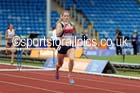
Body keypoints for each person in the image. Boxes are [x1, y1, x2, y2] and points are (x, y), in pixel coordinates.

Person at [55, 10, 76, 84]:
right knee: (60, 64)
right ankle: (57, 69)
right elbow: (57, 35)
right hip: (62, 46)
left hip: (70, 45)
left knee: (72, 59)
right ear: (62, 17)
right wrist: (64, 30)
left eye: (67, 16)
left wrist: (74, 29)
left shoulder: (71, 24)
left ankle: (70, 75)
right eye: (65, 16)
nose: (66, 17)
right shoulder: (59, 24)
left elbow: (75, 33)